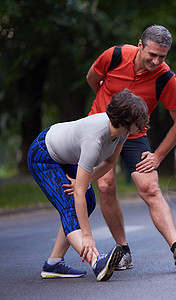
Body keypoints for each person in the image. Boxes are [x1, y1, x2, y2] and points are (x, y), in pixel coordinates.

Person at [86, 24, 176, 272]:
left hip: (134, 134)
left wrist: (158, 156)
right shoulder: (114, 55)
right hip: (101, 129)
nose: (156, 61)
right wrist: (108, 106)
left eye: (162, 56)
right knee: (105, 185)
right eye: (152, 54)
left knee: (150, 187)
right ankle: (123, 250)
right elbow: (92, 79)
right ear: (140, 44)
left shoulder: (165, 77)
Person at [27, 89, 149, 281]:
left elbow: (109, 163)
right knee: (70, 205)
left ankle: (54, 263)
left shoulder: (122, 132)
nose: (144, 126)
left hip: (66, 156)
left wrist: (83, 182)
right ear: (126, 122)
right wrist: (87, 236)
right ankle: (97, 262)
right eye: (140, 122)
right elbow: (78, 193)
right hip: (44, 156)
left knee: (89, 202)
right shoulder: (94, 140)